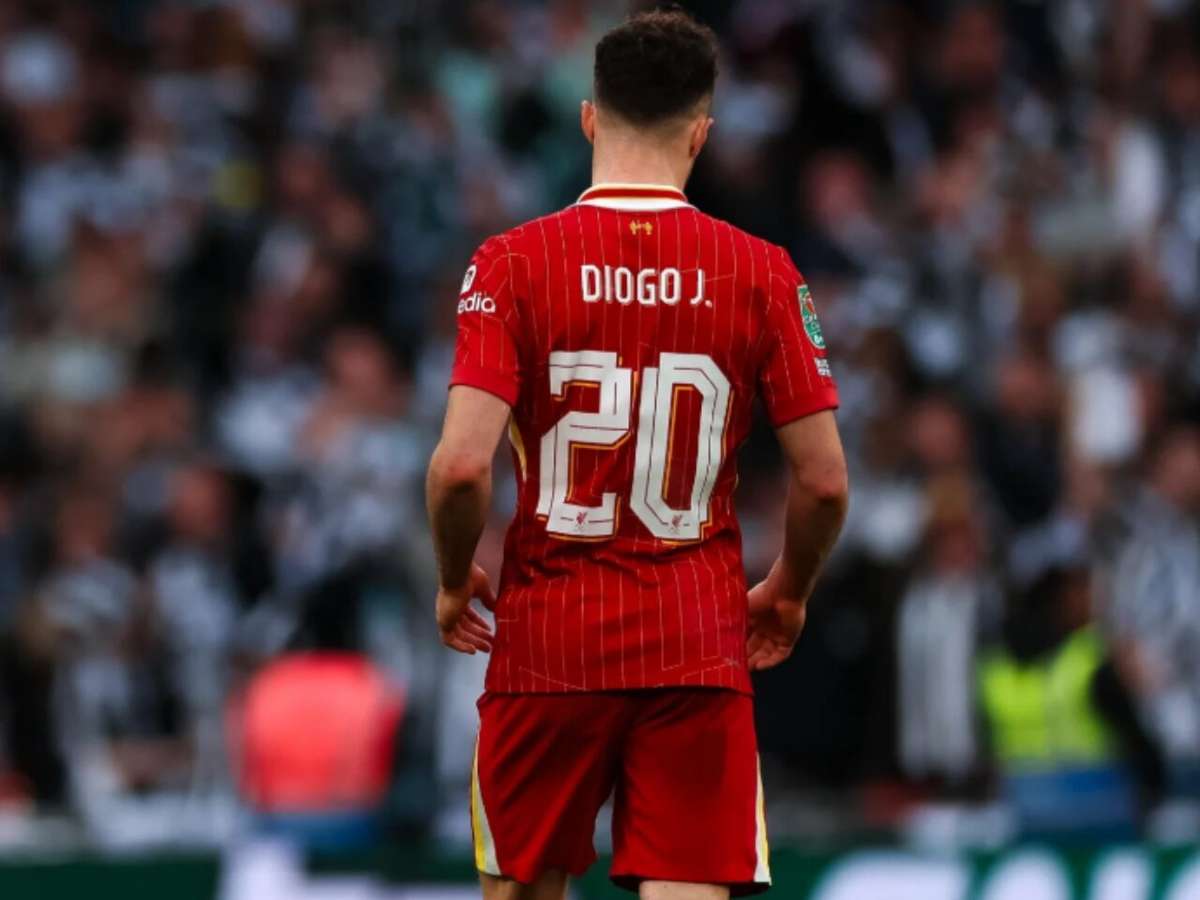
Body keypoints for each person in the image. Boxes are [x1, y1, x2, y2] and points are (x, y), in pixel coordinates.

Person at [425, 10, 848, 900]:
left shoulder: (511, 265)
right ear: (701, 133)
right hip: (696, 645)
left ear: (589, 119)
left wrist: (455, 576)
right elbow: (823, 482)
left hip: (547, 644)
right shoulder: (763, 272)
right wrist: (790, 589)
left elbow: (460, 468)